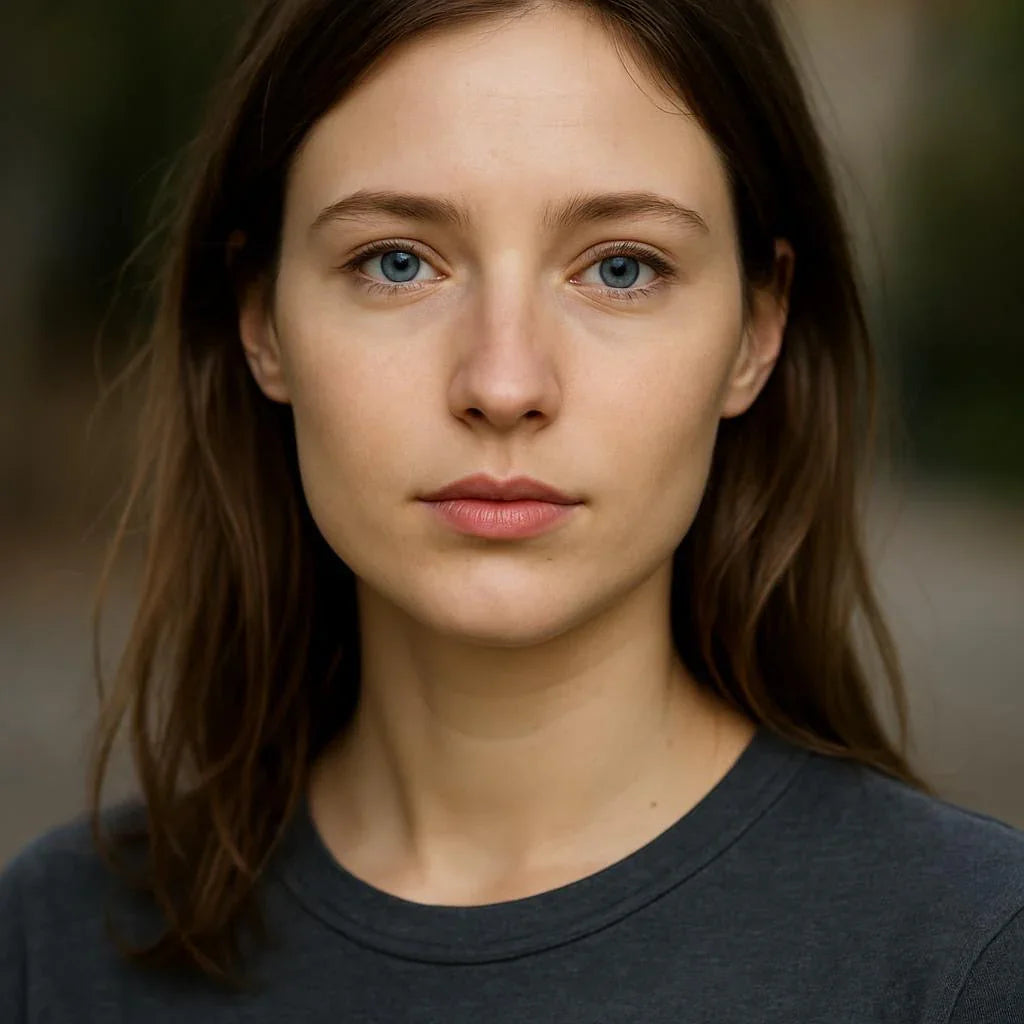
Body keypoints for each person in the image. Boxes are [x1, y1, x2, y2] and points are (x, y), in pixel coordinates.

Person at [1, 0, 1022, 1019]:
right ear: (262, 318)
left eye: (620, 267)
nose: (502, 380)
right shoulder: (49, 951)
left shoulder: (967, 959)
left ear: (756, 331)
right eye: (396, 261)